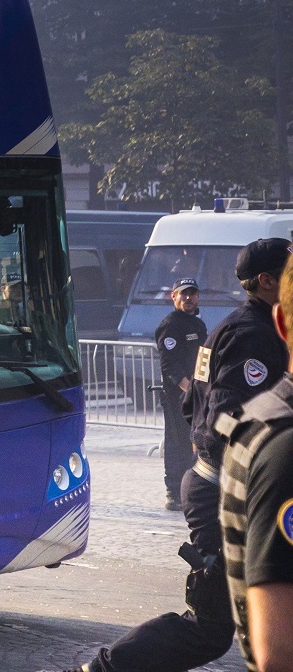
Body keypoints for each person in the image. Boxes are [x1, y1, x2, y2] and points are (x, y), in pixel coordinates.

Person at [70, 237, 291, 672]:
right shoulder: (254, 337)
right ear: (268, 282)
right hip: (224, 495)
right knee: (209, 630)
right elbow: (226, 417)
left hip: (222, 487)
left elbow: (196, 407)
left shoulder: (236, 326)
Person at [210, 252, 293, 672]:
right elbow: (280, 653)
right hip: (222, 480)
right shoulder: (249, 333)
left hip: (227, 473)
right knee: (206, 627)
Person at [157, 279, 207, 510]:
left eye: (193, 294)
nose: (189, 298)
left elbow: (203, 358)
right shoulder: (170, 325)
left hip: (198, 394)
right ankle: (174, 492)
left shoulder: (198, 325)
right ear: (173, 297)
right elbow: (170, 366)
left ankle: (194, 490)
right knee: (177, 443)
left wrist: (205, 388)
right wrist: (189, 389)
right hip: (177, 396)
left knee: (197, 442)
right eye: (184, 294)